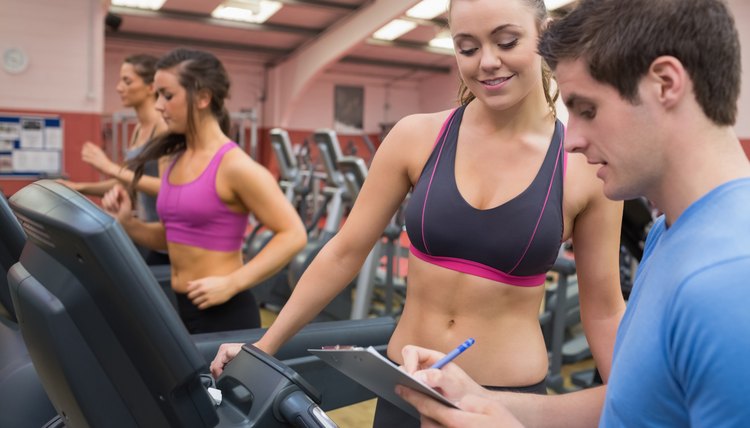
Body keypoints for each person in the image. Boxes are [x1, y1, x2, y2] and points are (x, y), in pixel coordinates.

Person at [211, 0, 625, 425]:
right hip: (406, 387)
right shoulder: (417, 136)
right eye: (466, 48)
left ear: (545, 33)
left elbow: (605, 308)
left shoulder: (584, 163)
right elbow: (344, 251)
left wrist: (635, 407)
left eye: (506, 41)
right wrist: (264, 346)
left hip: (507, 400)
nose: (487, 62)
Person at [396, 0, 750, 426]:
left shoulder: (731, 280)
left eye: (587, 110)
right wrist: (483, 401)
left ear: (665, 83)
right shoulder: (668, 233)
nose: (571, 141)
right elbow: (634, 405)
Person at [102, 48, 307, 334]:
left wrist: (232, 283)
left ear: (202, 97)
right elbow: (170, 235)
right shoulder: (171, 160)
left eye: (167, 95)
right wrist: (128, 223)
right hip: (181, 306)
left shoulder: (234, 166)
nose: (159, 105)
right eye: (158, 95)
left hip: (225, 312)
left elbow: (294, 234)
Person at [58, 54, 169, 264]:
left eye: (127, 81)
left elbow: (167, 188)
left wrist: (108, 166)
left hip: (166, 241)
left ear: (151, 87)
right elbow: (126, 181)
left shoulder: (162, 126)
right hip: (144, 234)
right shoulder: (138, 129)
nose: (119, 88)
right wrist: (77, 187)